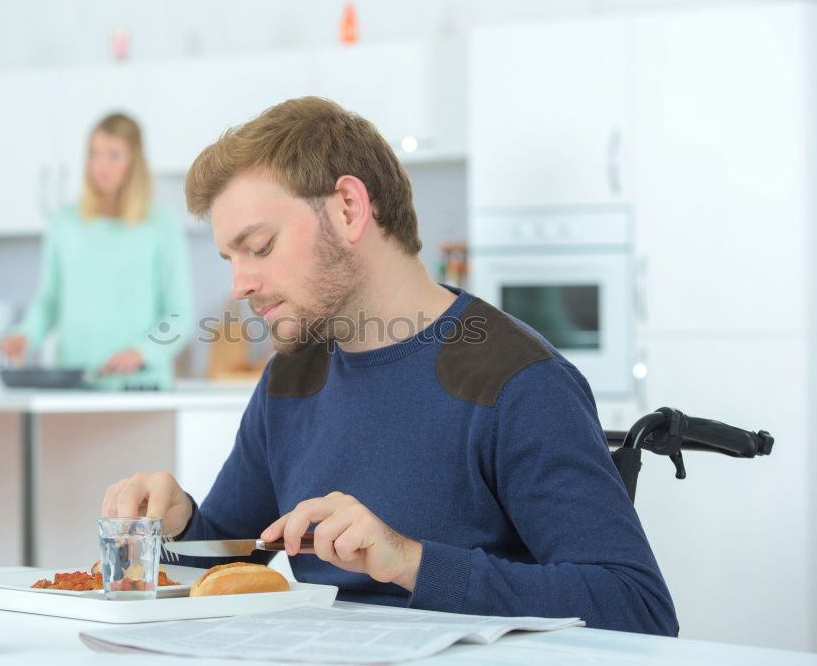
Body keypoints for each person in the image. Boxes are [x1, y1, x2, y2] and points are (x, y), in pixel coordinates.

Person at [101, 97, 679, 635]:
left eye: (260, 245)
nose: (239, 284)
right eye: (231, 257)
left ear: (349, 209)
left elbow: (638, 607)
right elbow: (230, 560)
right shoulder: (293, 379)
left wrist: (409, 562)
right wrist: (176, 524)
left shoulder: (517, 382)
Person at [0, 113, 192, 390]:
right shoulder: (64, 224)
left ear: (134, 161)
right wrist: (25, 335)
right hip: (75, 382)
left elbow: (179, 314)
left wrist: (143, 351)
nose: (101, 165)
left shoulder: (162, 225)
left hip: (140, 384)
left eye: (114, 155)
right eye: (94, 154)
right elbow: (49, 301)